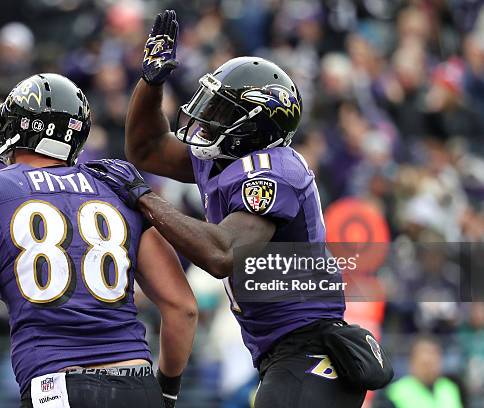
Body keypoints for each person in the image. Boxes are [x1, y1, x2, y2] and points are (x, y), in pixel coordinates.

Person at [86, 10, 369, 408]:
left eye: (222, 111)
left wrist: (144, 198)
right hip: (282, 354)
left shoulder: (274, 171)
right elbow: (146, 148)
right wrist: (151, 83)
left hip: (310, 352)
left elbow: (223, 254)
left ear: (254, 125)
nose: (208, 118)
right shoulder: (225, 158)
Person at [0, 73, 197, 408]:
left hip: (55, 384)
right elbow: (182, 308)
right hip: (138, 384)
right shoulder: (115, 184)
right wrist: (166, 391)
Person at [383, 337, 463, 408]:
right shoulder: (396, 392)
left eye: (434, 362)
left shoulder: (449, 388)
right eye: (425, 364)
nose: (430, 369)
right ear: (412, 363)